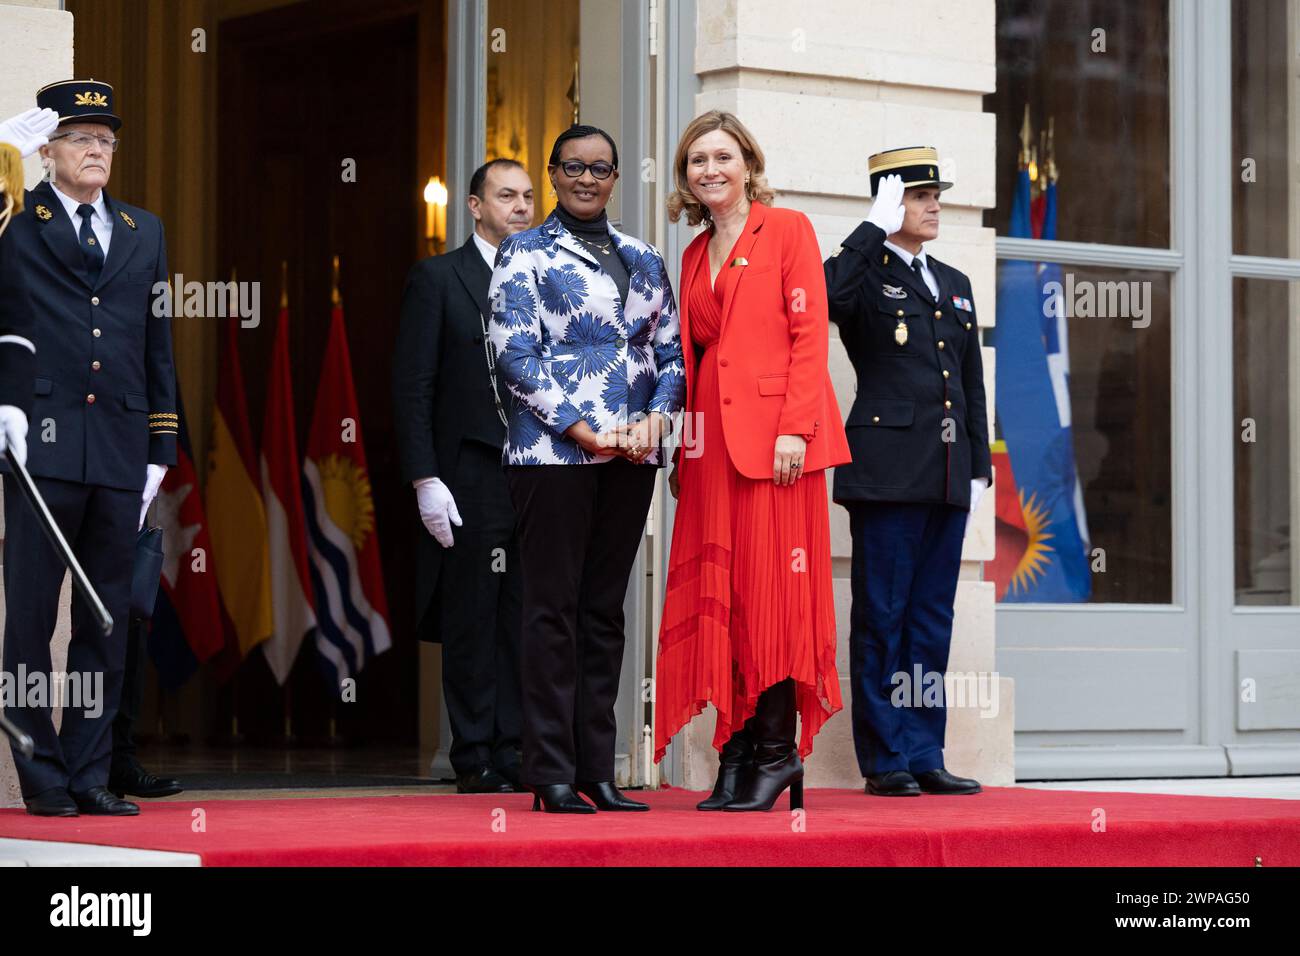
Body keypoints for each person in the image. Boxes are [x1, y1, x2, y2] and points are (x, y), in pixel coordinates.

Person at [654, 110, 851, 812]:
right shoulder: (691, 253)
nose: (710, 170)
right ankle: (736, 750)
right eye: (696, 161)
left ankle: (776, 753)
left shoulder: (787, 229)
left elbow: (808, 333)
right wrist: (683, 447)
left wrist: (796, 429)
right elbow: (692, 357)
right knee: (728, 600)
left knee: (772, 595)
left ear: (747, 163)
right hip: (712, 450)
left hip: (777, 449)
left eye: (721, 157)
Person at [487, 124, 684, 813]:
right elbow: (515, 355)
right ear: (553, 173)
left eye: (601, 168)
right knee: (552, 612)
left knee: (604, 612)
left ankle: (598, 769)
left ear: (616, 177)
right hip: (555, 455)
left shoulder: (643, 254)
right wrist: (583, 431)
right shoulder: (523, 251)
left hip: (632, 456)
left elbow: (671, 354)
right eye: (573, 166)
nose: (587, 178)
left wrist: (656, 421)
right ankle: (550, 774)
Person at [1, 80, 176, 817]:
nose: (98, 150)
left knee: (105, 622)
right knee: (32, 622)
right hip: (39, 447)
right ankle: (41, 777)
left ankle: (89, 773)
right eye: (81, 139)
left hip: (118, 446)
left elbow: (155, 341)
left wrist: (160, 445)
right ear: (49, 150)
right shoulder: (16, 219)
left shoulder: (143, 230)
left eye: (107, 140)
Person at [823, 148, 990, 797]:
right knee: (883, 615)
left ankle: (924, 748)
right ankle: (885, 755)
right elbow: (826, 299)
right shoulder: (864, 272)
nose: (934, 205)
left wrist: (976, 461)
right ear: (891, 204)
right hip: (888, 473)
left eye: (935, 194)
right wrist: (870, 226)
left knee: (929, 619)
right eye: (920, 196)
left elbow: (970, 380)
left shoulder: (953, 281)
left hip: (947, 473)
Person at [392, 159, 534, 794]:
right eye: (507, 196)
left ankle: (519, 751)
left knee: (527, 615)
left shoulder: (547, 278)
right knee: (474, 616)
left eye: (529, 196)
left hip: (537, 470)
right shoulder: (439, 278)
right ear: (475, 207)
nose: (522, 207)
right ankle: (473, 755)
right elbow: (413, 386)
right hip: (470, 469)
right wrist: (425, 477)